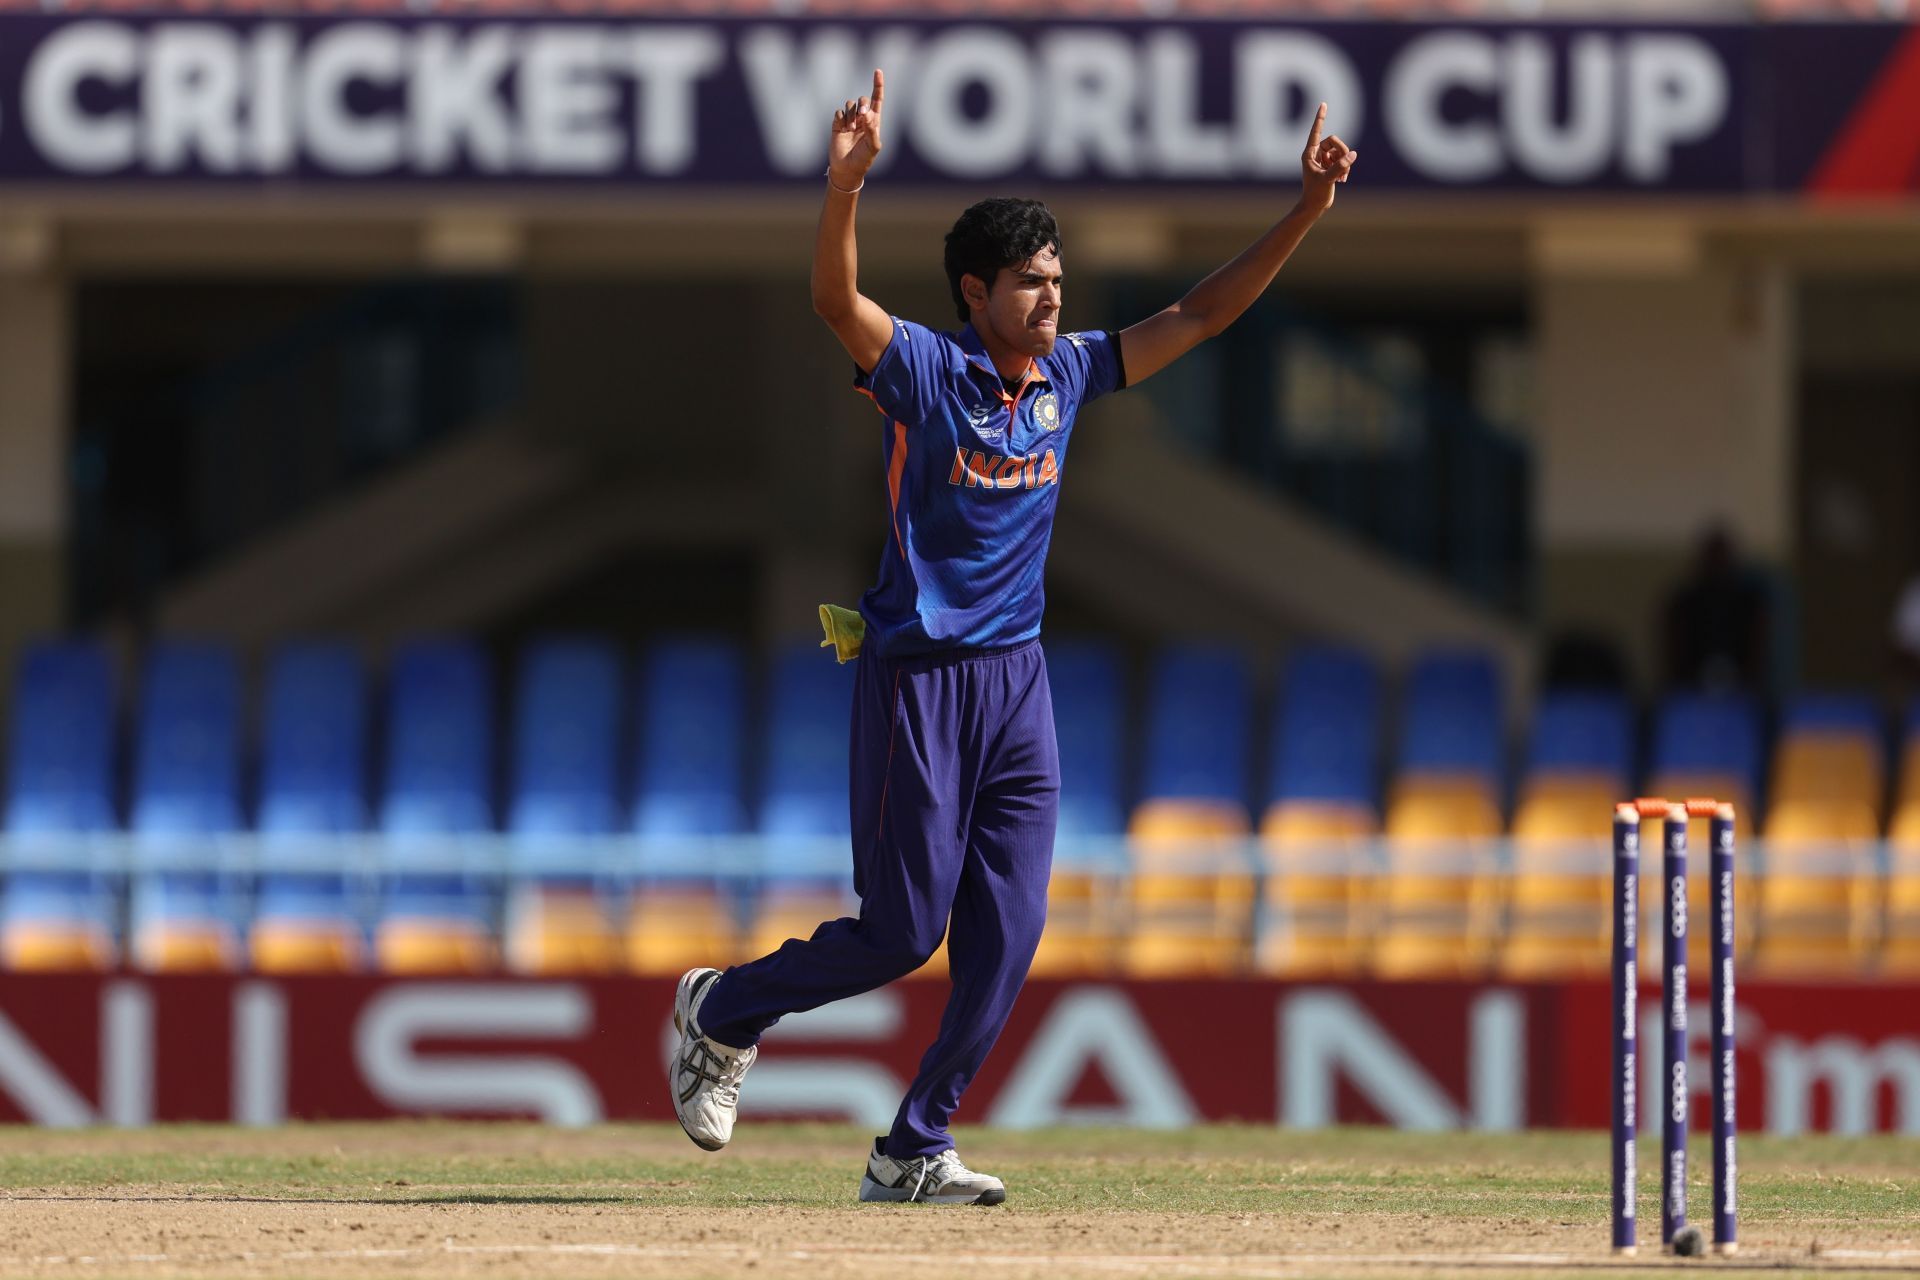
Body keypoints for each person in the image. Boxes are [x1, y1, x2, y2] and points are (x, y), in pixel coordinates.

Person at [669, 68, 1357, 1204]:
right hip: (918, 679)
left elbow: (1199, 315)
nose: (1050, 299)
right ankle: (723, 1006)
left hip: (1019, 683)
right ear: (974, 290)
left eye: (1057, 281)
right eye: (1029, 284)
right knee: (900, 931)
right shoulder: (927, 372)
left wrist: (1302, 215)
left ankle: (912, 1144)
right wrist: (842, 190)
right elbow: (836, 304)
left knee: (1009, 933)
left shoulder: (1071, 372)